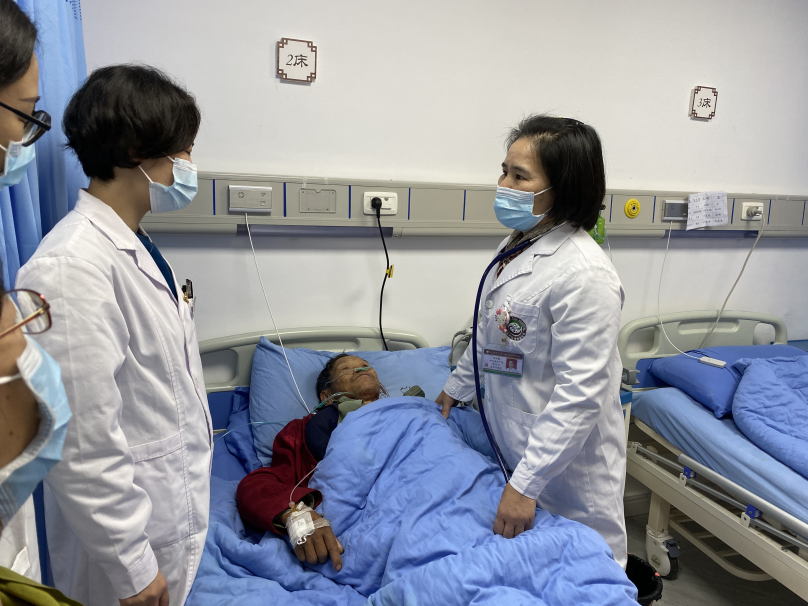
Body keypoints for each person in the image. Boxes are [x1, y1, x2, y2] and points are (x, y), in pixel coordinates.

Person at [16, 65, 212, 606]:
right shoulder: (69, 266)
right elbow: (80, 439)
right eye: (183, 150)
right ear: (134, 152)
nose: (190, 165)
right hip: (123, 551)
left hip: (162, 511)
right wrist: (133, 567)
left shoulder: (132, 243)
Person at [435, 114, 628, 567]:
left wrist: (524, 486)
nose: (503, 185)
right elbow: (492, 334)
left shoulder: (586, 274)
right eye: (504, 171)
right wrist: (456, 388)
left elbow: (581, 395)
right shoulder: (519, 244)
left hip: (570, 476)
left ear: (564, 187)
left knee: (581, 575)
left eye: (520, 177)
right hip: (517, 447)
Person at [237, 355, 421, 571]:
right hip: (377, 526)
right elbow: (256, 486)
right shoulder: (304, 431)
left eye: (365, 366)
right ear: (327, 396)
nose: (360, 370)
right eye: (346, 369)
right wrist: (298, 516)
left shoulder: (416, 409)